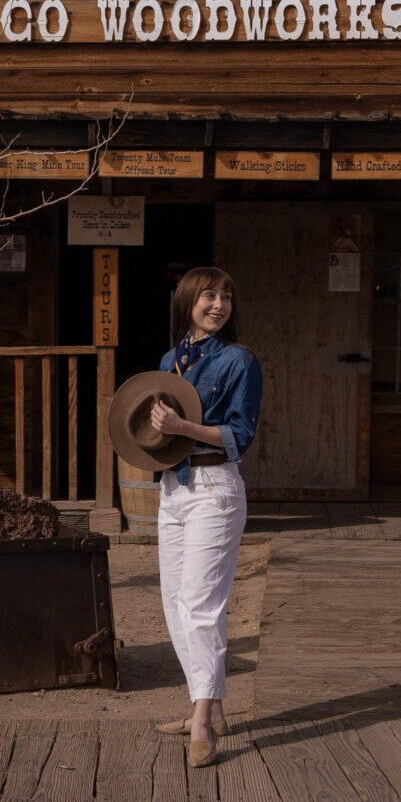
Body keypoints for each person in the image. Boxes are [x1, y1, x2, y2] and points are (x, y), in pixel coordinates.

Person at [148, 265, 262, 766]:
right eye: (210, 296)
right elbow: (159, 434)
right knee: (176, 603)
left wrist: (182, 425)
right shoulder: (169, 361)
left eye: (227, 297)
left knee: (200, 603)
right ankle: (209, 706)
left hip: (214, 488)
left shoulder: (240, 362)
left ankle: (201, 724)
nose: (219, 305)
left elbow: (240, 438)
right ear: (187, 301)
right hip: (172, 488)